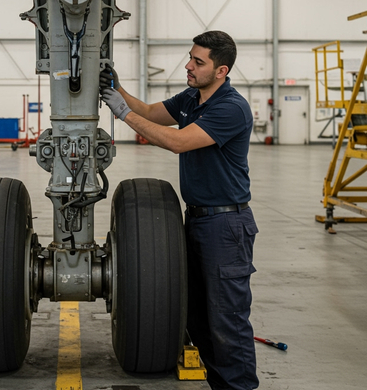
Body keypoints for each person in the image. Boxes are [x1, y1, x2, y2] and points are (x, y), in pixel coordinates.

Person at [101, 30, 258, 390]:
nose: (188, 66)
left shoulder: (230, 108)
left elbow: (177, 141)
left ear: (221, 71)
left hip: (226, 225)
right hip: (198, 219)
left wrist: (123, 115)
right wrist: (118, 89)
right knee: (199, 319)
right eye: (190, 57)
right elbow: (154, 112)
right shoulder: (193, 96)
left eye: (198, 62)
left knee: (227, 323)